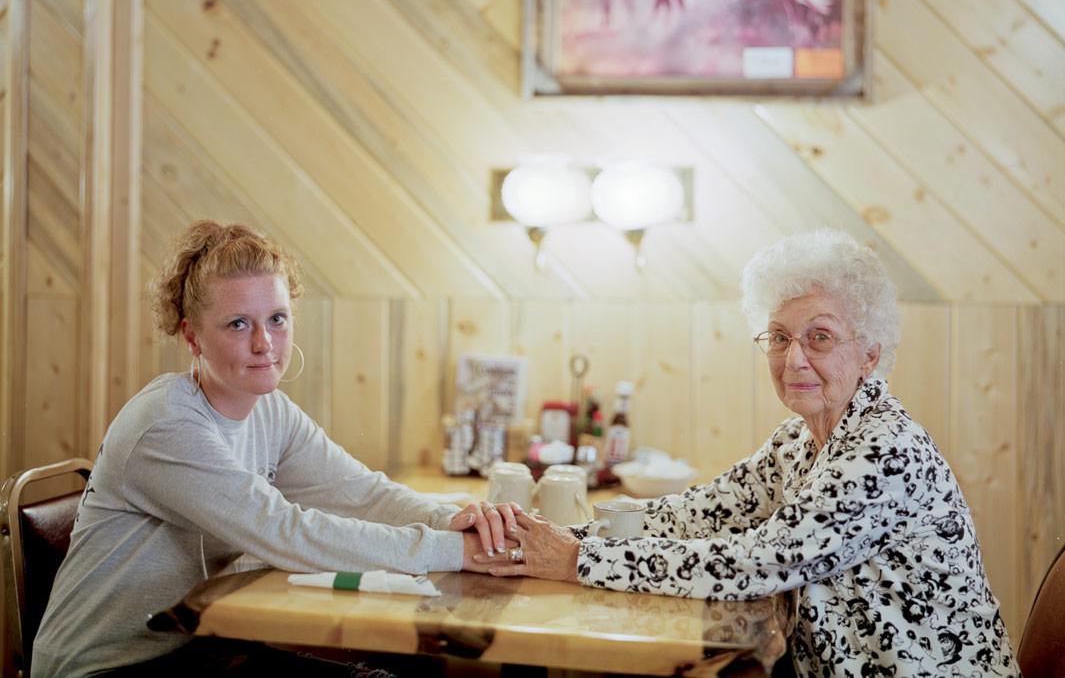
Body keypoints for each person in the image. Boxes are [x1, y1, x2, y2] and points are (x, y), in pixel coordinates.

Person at [480, 229, 1019, 677]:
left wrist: (576, 560)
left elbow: (763, 561)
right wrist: (552, 538)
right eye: (780, 337)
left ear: (870, 354)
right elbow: (698, 514)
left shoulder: (885, 450)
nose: (795, 359)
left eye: (821, 337)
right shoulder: (798, 439)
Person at [32, 221, 520, 678]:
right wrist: (455, 551)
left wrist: (457, 522)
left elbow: (362, 493)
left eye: (277, 319)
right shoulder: (165, 425)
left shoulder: (271, 412)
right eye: (238, 324)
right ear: (191, 335)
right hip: (109, 667)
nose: (265, 343)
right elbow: (286, 532)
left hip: (204, 648)